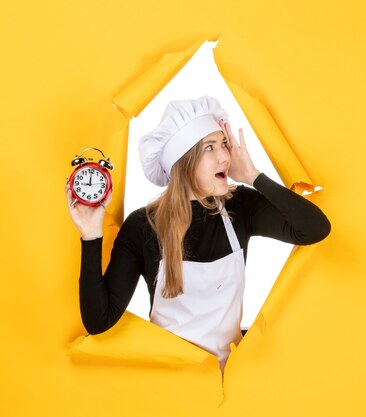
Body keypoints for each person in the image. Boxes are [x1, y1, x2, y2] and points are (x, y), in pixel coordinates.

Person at [65, 96, 331, 372]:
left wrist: (253, 175)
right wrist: (91, 235)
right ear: (184, 162)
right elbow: (99, 321)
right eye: (210, 147)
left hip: (232, 381)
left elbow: (314, 228)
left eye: (224, 145)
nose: (225, 156)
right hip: (174, 385)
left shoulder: (239, 205)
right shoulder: (143, 225)